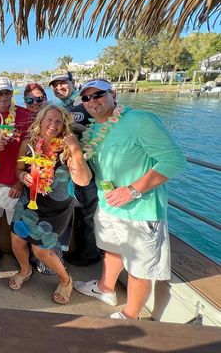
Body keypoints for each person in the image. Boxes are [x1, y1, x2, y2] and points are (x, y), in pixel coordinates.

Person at [73, 79, 186, 319]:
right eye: (86, 98)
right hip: (107, 206)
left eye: (98, 95)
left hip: (140, 211)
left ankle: (131, 315)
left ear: (113, 94)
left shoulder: (140, 120)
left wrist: (132, 190)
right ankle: (105, 289)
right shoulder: (93, 130)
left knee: (139, 268)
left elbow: (174, 161)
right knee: (111, 250)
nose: (92, 101)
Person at [10, 105, 91, 304]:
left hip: (56, 208)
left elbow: (84, 180)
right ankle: (25, 270)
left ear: (64, 124)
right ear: (41, 120)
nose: (53, 125)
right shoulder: (29, 144)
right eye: (49, 120)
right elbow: (19, 167)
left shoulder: (66, 149)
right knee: (17, 241)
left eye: (58, 121)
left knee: (41, 250)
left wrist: (76, 150)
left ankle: (65, 280)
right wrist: (22, 176)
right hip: (29, 201)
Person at [0, 77, 33, 270]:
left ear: (12, 93)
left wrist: (20, 182)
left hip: (15, 179)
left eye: (7, 92)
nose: (3, 97)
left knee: (16, 220)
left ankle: (21, 256)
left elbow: (33, 152)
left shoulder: (26, 116)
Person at [49, 70, 100, 266]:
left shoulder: (86, 102)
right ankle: (70, 248)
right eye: (55, 85)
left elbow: (102, 130)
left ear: (72, 82)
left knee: (89, 213)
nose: (59, 87)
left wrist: (79, 130)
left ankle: (90, 254)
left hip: (90, 166)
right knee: (71, 208)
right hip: (67, 167)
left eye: (63, 83)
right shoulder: (57, 108)